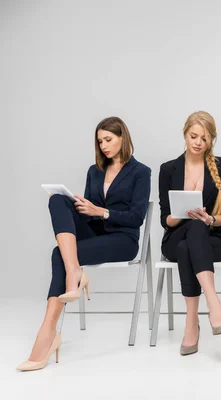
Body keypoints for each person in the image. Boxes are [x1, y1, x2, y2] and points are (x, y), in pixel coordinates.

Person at [17, 117, 151, 371]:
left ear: (123, 137)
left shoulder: (141, 172)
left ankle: (47, 333)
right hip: (95, 233)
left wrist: (101, 211)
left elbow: (137, 217)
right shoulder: (95, 171)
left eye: (108, 140)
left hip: (123, 240)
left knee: (59, 254)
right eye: (100, 141)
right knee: (57, 199)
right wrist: (81, 207)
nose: (104, 146)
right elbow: (89, 208)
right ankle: (75, 271)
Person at [159, 111, 221, 356]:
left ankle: (192, 323)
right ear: (185, 134)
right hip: (175, 236)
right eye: (194, 136)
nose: (198, 142)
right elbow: (165, 219)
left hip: (213, 238)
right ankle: (214, 303)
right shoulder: (168, 169)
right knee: (189, 232)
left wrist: (210, 218)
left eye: (204, 138)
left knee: (193, 236)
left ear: (211, 140)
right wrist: (182, 214)